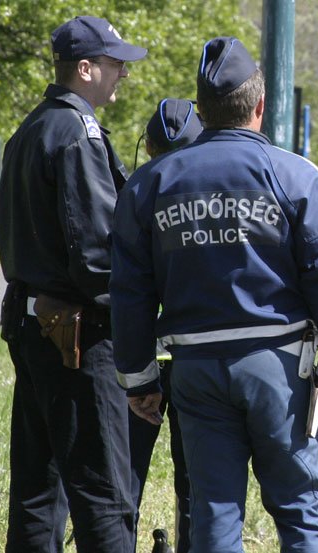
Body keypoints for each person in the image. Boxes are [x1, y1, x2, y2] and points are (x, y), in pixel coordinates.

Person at [110, 37, 318, 552]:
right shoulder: (298, 177)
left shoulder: (148, 184)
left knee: (214, 516)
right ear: (259, 106)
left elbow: (130, 290)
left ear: (202, 112)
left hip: (195, 371)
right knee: (301, 513)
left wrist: (139, 378)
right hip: (279, 369)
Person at [0, 15, 146, 552]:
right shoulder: (77, 134)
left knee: (38, 490)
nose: (121, 75)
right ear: (85, 69)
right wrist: (142, 311)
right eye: (113, 65)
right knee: (104, 494)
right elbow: (98, 251)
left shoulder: (31, 127)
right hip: (79, 340)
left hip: (35, 323)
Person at [127, 98, 203, 553]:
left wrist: (136, 372)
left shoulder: (136, 190)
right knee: (196, 483)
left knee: (123, 480)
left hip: (141, 362)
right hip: (196, 359)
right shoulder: (212, 195)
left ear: (148, 145)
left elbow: (126, 290)